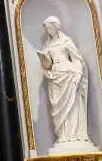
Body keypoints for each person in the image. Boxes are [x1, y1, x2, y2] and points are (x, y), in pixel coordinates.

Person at [38, 16, 91, 144]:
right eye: (47, 29)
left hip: (69, 75)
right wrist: (44, 61)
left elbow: (76, 58)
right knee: (58, 109)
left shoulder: (66, 41)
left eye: (50, 28)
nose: (49, 31)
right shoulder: (48, 45)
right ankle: (63, 135)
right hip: (55, 77)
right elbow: (48, 65)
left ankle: (74, 134)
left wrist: (78, 73)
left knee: (72, 106)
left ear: (56, 27)